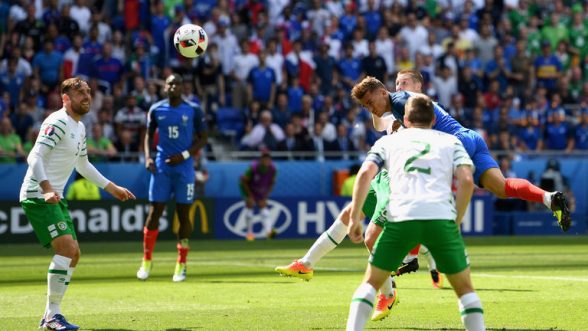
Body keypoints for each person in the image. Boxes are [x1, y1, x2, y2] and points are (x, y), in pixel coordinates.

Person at [345, 94, 484, 331]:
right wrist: (456, 220)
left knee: (370, 284)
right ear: (433, 119)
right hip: (440, 219)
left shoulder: (388, 142)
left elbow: (365, 174)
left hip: (401, 218)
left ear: (405, 119)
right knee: (465, 291)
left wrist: (354, 217)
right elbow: (467, 181)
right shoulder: (451, 142)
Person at [19, 77, 135, 331]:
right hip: (39, 195)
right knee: (67, 249)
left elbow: (83, 164)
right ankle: (52, 316)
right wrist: (47, 188)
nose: (86, 96)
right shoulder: (57, 121)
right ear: (65, 98)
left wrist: (111, 187)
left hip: (55, 196)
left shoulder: (80, 127)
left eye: (88, 92)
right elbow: (34, 156)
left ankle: (50, 314)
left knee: (74, 254)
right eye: (79, 92)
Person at [137, 74, 208, 282]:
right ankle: (147, 260)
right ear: (164, 87)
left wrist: (185, 155)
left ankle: (181, 263)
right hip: (161, 166)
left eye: (177, 83)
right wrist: (148, 157)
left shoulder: (193, 109)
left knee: (183, 214)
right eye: (170, 83)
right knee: (155, 212)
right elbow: (149, 134)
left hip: (185, 168)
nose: (173, 86)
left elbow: (204, 138)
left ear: (183, 87)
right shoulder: (156, 109)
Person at [240, 149, 277, 241]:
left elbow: (272, 183)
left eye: (268, 159)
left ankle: (268, 232)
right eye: (264, 159)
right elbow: (244, 181)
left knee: (263, 206)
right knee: (250, 205)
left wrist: (265, 196)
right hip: (248, 188)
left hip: (261, 190)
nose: (266, 161)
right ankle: (249, 234)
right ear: (261, 160)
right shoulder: (253, 168)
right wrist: (250, 196)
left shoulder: (273, 169)